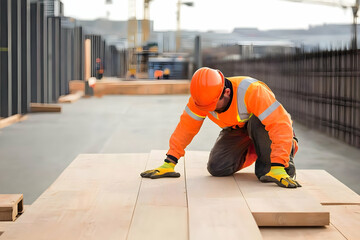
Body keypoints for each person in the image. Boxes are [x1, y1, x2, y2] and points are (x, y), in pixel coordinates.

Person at [141, 67, 301, 188]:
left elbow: (280, 124)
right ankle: (256, 150)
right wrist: (170, 161)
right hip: (238, 130)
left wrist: (278, 164)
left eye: (212, 106)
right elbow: (186, 128)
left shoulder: (252, 91)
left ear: (226, 92)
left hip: (264, 128)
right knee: (217, 168)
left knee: (267, 174)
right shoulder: (201, 99)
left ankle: (285, 153)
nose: (209, 110)